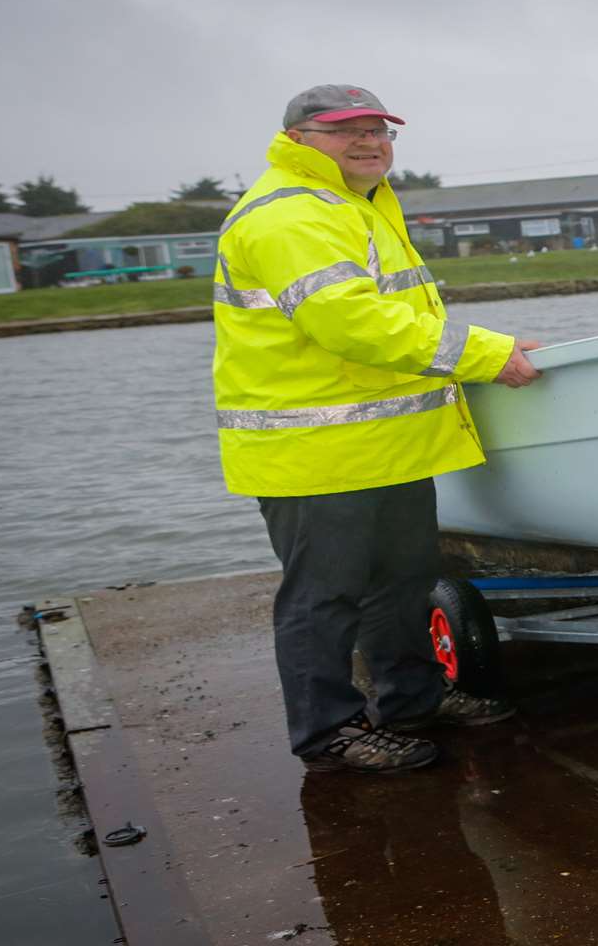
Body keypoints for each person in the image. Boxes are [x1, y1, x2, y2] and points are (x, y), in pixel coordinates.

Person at [213, 84, 543, 774]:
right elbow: (350, 324)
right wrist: (485, 355)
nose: (370, 142)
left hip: (385, 448)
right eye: (347, 132)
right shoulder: (289, 216)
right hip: (314, 453)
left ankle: (413, 699)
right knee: (323, 598)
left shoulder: (358, 207)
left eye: (379, 130)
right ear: (299, 140)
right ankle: (329, 733)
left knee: (403, 583)